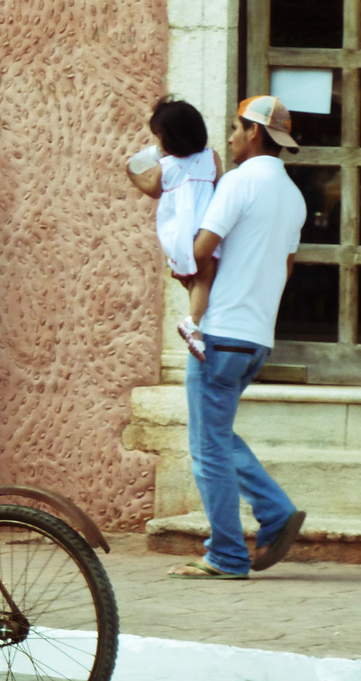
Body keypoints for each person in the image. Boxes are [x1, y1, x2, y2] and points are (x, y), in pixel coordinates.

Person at [167, 96, 308, 580]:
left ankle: (227, 553)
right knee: (219, 435)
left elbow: (199, 249)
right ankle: (274, 513)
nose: (228, 136)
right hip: (256, 339)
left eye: (234, 127)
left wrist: (180, 263)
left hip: (221, 333)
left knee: (207, 449)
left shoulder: (239, 182)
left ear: (254, 132)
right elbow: (285, 268)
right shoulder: (294, 196)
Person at [127, 96, 221, 360]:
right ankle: (194, 323)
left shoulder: (166, 167)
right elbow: (221, 186)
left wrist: (133, 175)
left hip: (179, 234)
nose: (158, 145)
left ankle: (195, 323)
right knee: (205, 275)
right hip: (204, 229)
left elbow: (153, 190)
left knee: (197, 277)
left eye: (159, 138)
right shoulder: (211, 157)